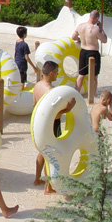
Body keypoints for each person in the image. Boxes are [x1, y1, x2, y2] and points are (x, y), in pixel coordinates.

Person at [32, 61, 75, 193]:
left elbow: (34, 106)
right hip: (51, 124)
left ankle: (37, 178)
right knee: (50, 153)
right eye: (56, 72)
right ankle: (48, 186)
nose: (58, 74)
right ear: (51, 73)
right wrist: (68, 109)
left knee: (42, 150)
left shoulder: (37, 86)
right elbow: (55, 115)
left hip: (37, 123)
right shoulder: (50, 91)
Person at [71, 10, 107, 94]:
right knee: (94, 77)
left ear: (90, 16)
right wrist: (101, 28)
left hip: (83, 51)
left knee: (81, 75)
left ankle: (76, 94)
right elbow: (104, 40)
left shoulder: (80, 26)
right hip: (93, 53)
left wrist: (79, 39)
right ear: (97, 18)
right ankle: (93, 95)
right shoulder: (95, 29)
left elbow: (73, 37)